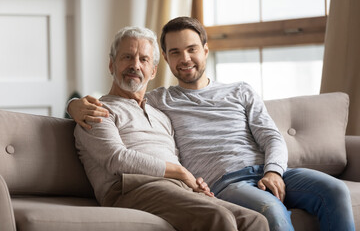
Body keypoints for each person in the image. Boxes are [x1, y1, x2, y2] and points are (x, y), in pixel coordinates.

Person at [69, 17, 355, 231]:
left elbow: (271, 137)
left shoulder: (164, 108)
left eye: (192, 49)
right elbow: (114, 148)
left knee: (331, 192)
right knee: (268, 210)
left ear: (205, 50)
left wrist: (274, 171)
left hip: (246, 174)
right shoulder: (156, 101)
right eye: (175, 53)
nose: (185, 59)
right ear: (167, 61)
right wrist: (74, 105)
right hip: (209, 182)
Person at [74, 26, 269, 231]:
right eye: (127, 57)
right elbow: (117, 159)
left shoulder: (160, 115)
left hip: (178, 189)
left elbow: (175, 157)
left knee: (255, 220)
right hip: (130, 189)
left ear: (153, 71)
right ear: (111, 65)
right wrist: (180, 172)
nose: (135, 65)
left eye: (144, 59)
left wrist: (194, 183)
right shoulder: (96, 111)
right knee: (218, 217)